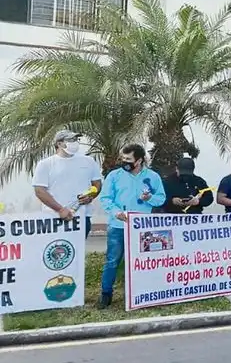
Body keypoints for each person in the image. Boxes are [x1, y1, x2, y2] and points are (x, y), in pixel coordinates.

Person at [96, 144, 166, 308]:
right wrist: (116, 212)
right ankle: (106, 294)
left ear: (139, 160)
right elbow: (106, 198)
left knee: (142, 261)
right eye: (123, 159)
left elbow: (161, 198)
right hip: (118, 226)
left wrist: (149, 199)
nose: (124, 162)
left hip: (142, 228)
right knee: (112, 261)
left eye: (128, 159)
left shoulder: (153, 176)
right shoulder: (114, 176)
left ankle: (140, 293)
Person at [32, 129, 103, 236]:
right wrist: (60, 209)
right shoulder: (45, 164)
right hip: (54, 217)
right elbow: (39, 191)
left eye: (76, 139)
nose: (75, 142)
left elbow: (97, 184)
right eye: (70, 140)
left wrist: (91, 196)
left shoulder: (88, 161)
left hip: (82, 216)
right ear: (59, 144)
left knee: (78, 251)